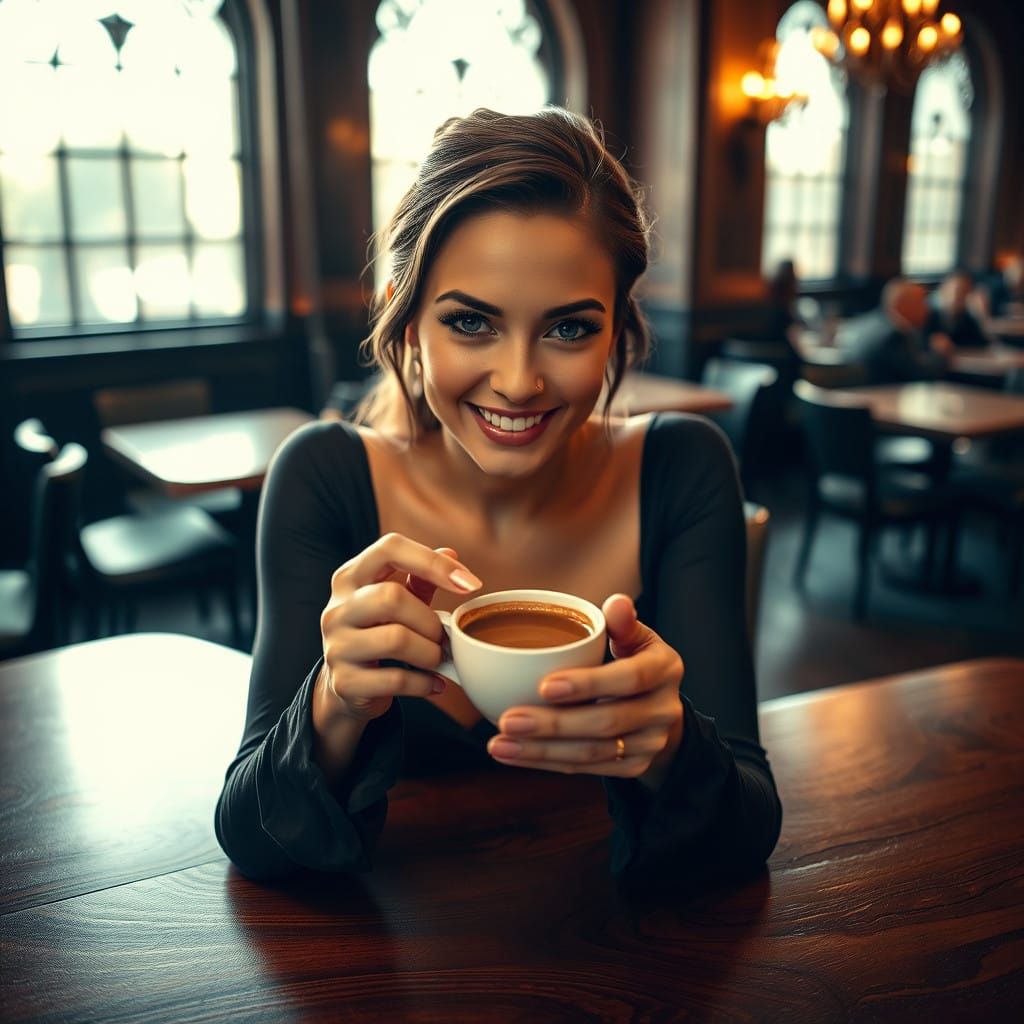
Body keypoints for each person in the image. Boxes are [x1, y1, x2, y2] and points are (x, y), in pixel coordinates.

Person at [215, 107, 782, 899]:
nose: (518, 381)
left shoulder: (684, 467)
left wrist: (668, 743)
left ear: (619, 331)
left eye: (570, 328)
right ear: (410, 324)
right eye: (471, 321)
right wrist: (333, 701)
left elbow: (749, 830)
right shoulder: (322, 476)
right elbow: (250, 838)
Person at [841, 278, 951, 385]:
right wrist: (939, 355)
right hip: (881, 398)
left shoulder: (865, 323)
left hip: (855, 395)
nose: (927, 309)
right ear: (903, 304)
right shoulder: (895, 335)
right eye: (921, 302)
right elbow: (920, 377)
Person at [924, 270, 991, 350]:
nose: (960, 296)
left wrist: (982, 316)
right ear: (943, 290)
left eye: (965, 291)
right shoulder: (928, 317)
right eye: (957, 290)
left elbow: (983, 344)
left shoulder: (966, 318)